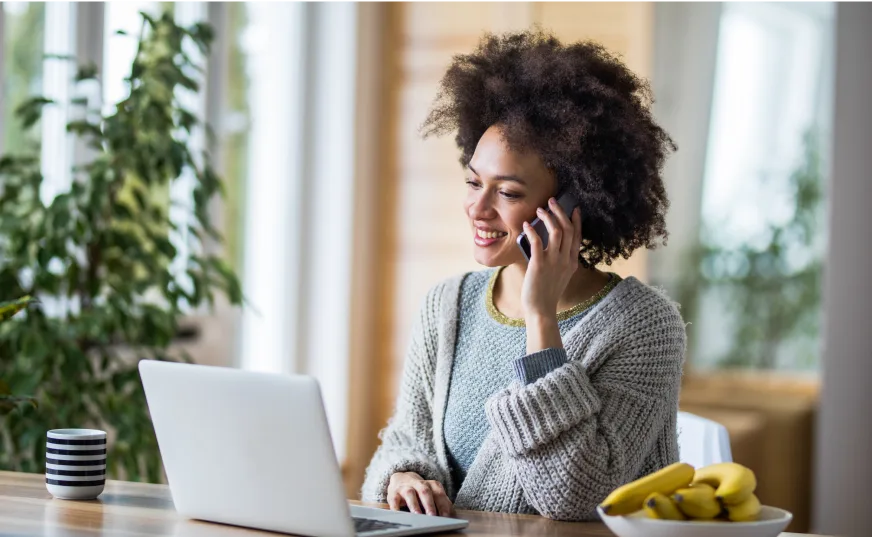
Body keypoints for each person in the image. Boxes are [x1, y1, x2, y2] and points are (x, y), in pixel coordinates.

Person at [360, 29, 686, 522]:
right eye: (473, 182)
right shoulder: (447, 305)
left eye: (508, 193)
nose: (478, 208)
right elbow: (408, 439)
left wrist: (541, 319)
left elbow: (577, 496)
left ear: (575, 203)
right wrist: (404, 477)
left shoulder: (644, 326)